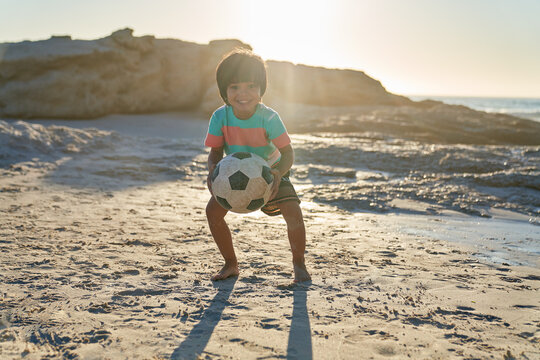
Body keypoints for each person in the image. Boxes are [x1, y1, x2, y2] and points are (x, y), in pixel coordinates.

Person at [204, 49, 311, 283]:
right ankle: (230, 263)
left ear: (262, 88)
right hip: (234, 175)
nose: (243, 94)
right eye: (234, 87)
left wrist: (278, 174)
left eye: (251, 86)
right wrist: (212, 171)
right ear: (224, 91)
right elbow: (215, 153)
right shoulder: (219, 117)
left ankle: (299, 265)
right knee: (212, 212)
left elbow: (288, 153)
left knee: (293, 212)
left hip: (272, 172)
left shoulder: (269, 117)